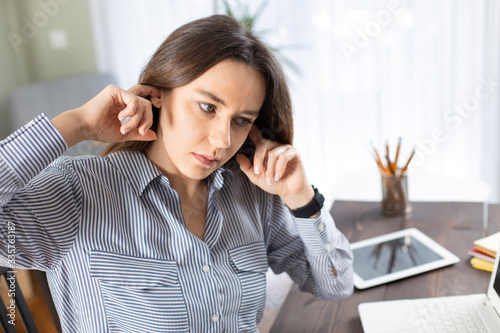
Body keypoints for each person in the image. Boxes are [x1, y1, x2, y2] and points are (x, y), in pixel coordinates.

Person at [0, 15, 353, 333]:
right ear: (158, 95)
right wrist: (75, 125)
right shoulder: (79, 192)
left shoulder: (252, 194)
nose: (222, 140)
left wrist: (301, 198)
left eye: (241, 120)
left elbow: (335, 284)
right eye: (207, 107)